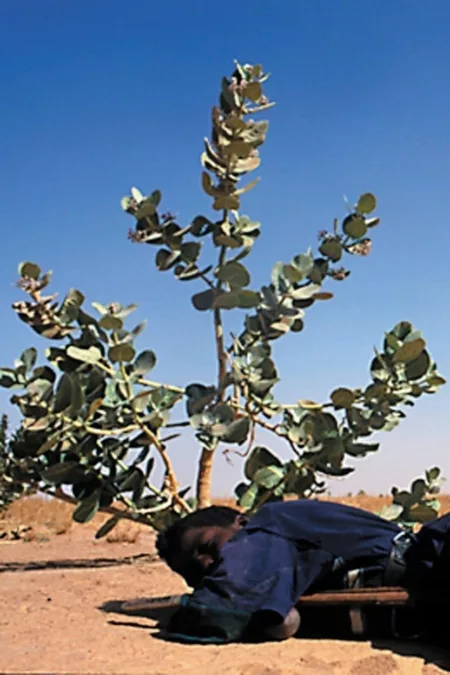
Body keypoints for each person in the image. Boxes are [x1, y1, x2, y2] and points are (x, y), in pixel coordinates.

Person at [155, 498, 450, 644]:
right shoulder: (285, 579)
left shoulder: (266, 526)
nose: (207, 563)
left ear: (241, 523)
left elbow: (218, 612)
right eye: (196, 573)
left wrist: (182, 612)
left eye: (206, 545)